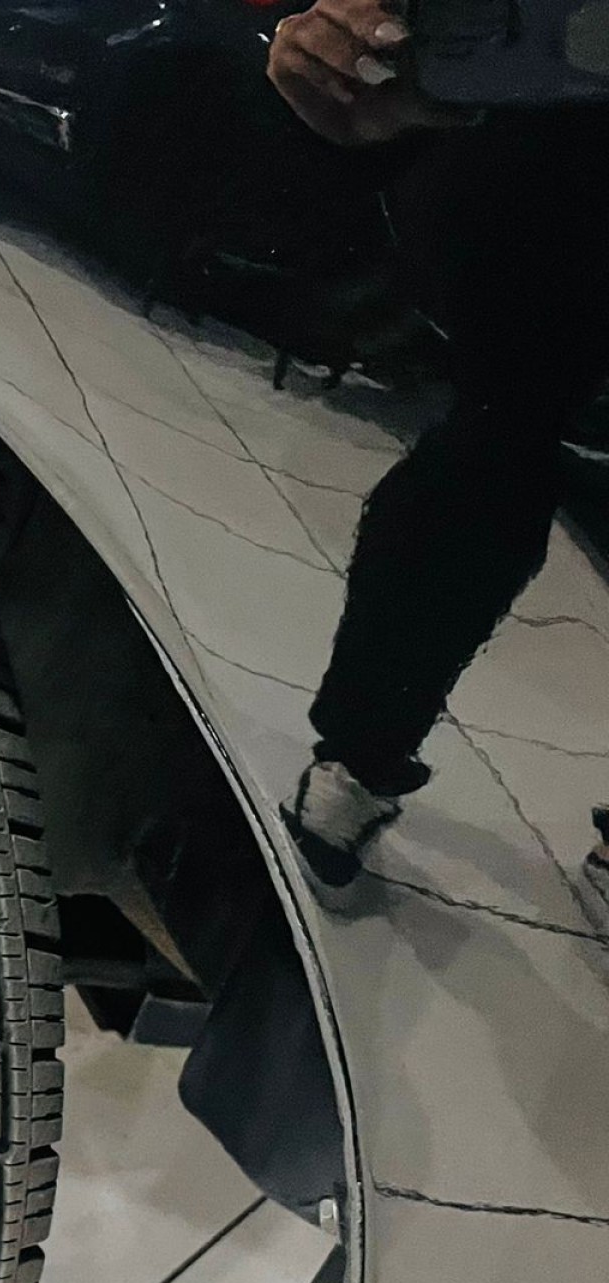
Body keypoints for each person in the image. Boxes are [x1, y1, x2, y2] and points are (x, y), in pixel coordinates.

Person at [268, 0, 609, 886]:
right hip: (555, 192)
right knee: (487, 469)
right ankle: (361, 755)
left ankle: (359, 759)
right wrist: (347, 76)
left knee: (491, 459)